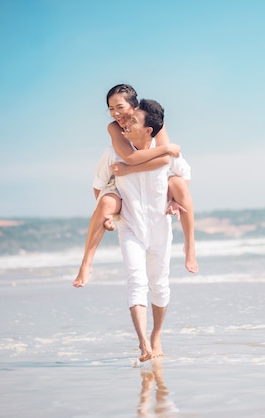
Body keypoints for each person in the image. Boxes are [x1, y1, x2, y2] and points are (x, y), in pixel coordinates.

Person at [72, 84, 198, 289]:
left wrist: (172, 197)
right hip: (118, 184)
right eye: (111, 109)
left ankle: (190, 248)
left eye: (120, 107)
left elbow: (166, 161)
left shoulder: (153, 121)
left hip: (147, 184)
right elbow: (131, 158)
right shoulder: (114, 128)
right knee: (104, 204)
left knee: (178, 184)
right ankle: (86, 263)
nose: (115, 113)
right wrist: (165, 149)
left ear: (134, 105)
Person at [92, 98, 187, 361]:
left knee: (159, 284)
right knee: (136, 282)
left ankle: (156, 336)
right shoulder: (113, 151)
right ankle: (143, 344)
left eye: (126, 113)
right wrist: (110, 212)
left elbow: (182, 173)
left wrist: (173, 199)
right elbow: (99, 185)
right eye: (112, 109)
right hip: (130, 225)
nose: (119, 117)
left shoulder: (161, 148)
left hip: (159, 226)